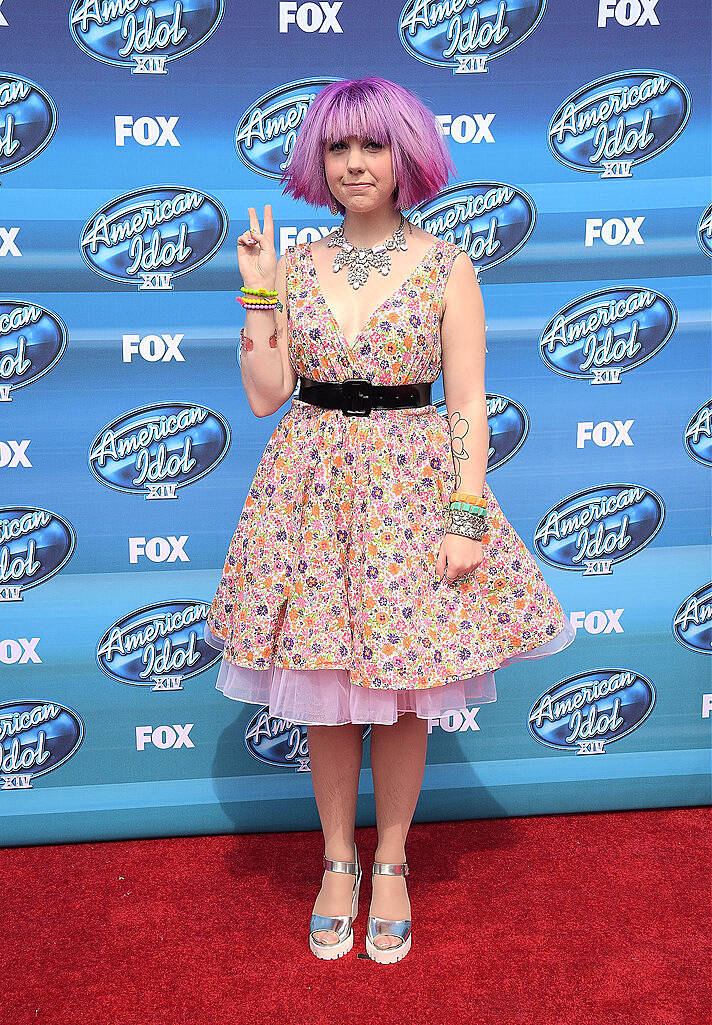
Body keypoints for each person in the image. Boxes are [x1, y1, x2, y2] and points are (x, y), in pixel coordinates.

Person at [204, 76, 575, 964]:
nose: (355, 164)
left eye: (372, 146)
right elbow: (264, 398)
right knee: (329, 695)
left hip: (411, 489)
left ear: (406, 155)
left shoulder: (448, 265)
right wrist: (257, 295)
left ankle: (395, 861)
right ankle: (338, 860)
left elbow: (469, 406)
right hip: (312, 484)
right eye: (338, 148)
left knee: (403, 692)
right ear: (316, 162)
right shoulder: (294, 267)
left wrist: (466, 510)